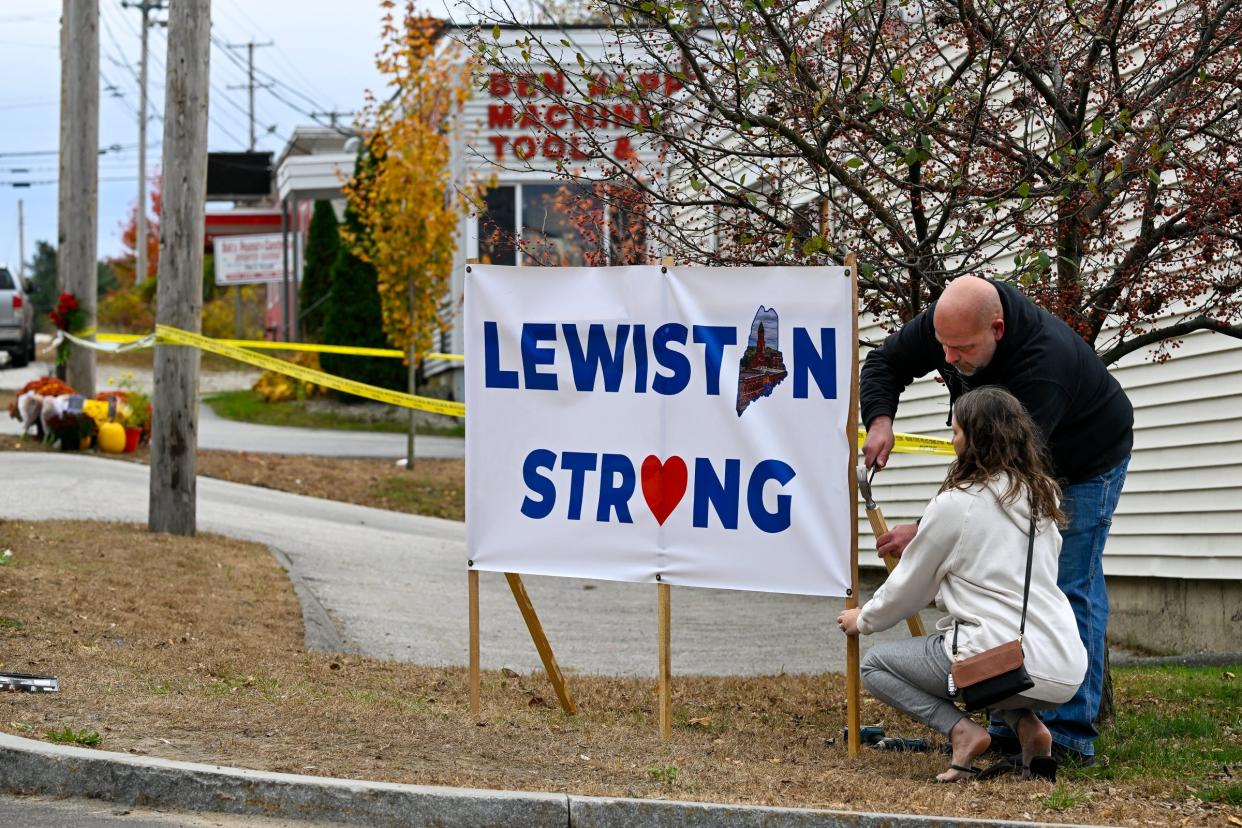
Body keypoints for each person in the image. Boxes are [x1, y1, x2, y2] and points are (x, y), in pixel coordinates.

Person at [858, 275, 1132, 765]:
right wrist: (880, 419)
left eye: (961, 350)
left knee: (1068, 582)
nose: (948, 360)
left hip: (1084, 462)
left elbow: (998, 477)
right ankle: (1012, 721)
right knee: (995, 585)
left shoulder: (1044, 366)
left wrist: (926, 533)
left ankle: (1069, 735)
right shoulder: (955, 320)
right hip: (1015, 459)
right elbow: (885, 361)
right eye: (942, 346)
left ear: (998, 329)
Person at [838, 386, 1088, 782]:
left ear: (977, 439)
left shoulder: (957, 502)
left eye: (955, 432)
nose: (952, 440)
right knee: (983, 654)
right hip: (1065, 663)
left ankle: (964, 734)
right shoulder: (1043, 494)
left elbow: (909, 587)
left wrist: (863, 619)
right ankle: (1030, 730)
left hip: (1006, 659)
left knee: (876, 666)